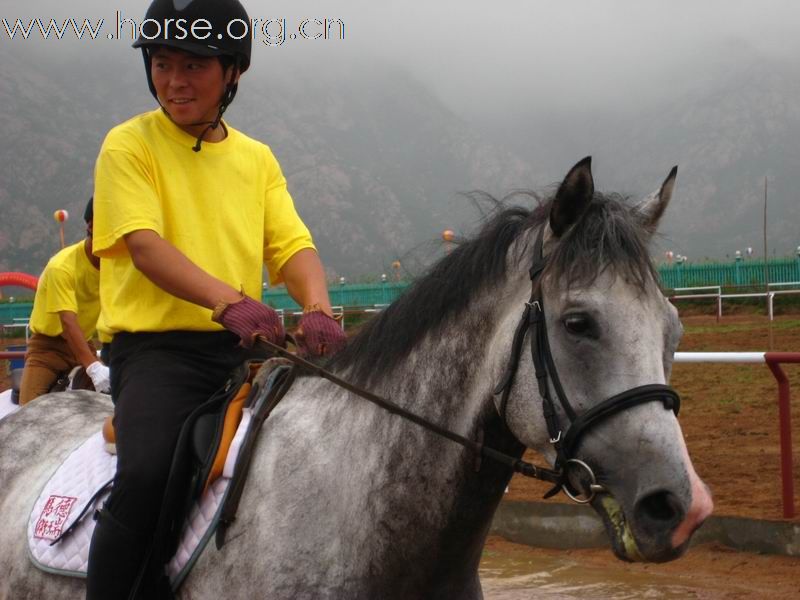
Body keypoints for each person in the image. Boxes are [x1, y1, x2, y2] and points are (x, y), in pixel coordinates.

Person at [85, 0, 345, 597]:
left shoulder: (256, 158)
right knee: (148, 475)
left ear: (233, 71)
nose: (174, 82)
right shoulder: (129, 145)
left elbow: (292, 247)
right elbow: (145, 246)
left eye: (195, 65)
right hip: (157, 355)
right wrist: (227, 301)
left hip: (247, 350)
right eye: (162, 63)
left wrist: (318, 307)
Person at [19, 198, 109, 405]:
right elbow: (68, 323)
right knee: (28, 414)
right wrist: (94, 368)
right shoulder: (62, 267)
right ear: (91, 225)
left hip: (83, 345)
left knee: (115, 403)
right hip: (47, 350)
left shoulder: (118, 266)